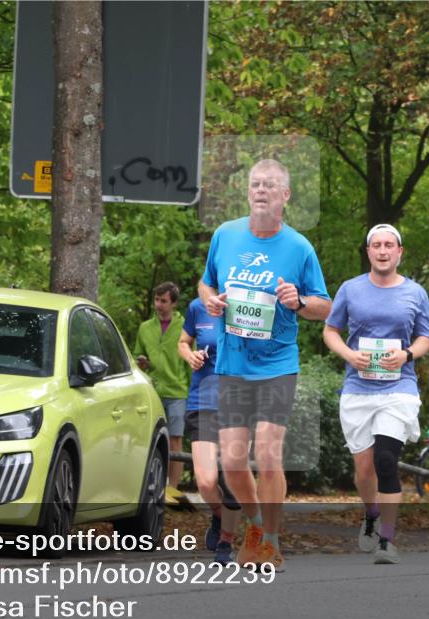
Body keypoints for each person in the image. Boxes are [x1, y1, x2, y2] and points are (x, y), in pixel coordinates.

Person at [198, 158, 331, 570]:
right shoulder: (225, 235)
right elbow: (207, 282)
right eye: (255, 184)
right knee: (234, 461)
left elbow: (325, 306)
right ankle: (255, 527)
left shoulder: (299, 247)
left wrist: (300, 301)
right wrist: (209, 299)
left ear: (285, 195)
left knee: (268, 455)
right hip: (233, 363)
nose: (260, 190)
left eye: (269, 185)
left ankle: (271, 541)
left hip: (276, 363)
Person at [323, 224, 429, 564]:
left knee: (386, 460)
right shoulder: (350, 289)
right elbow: (331, 330)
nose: (383, 251)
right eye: (376, 245)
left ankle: (387, 540)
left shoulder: (415, 293)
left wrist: (407, 355)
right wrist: (348, 355)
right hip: (358, 388)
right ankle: (370, 513)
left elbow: (425, 337)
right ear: (368, 251)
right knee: (364, 469)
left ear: (400, 252)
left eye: (389, 245)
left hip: (398, 387)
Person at [178, 296, 241, 564]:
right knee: (205, 480)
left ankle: (226, 541)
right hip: (202, 401)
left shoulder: (251, 306)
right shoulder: (197, 307)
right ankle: (218, 515)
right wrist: (190, 355)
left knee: (230, 478)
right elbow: (183, 342)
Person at [134, 282, 191, 499]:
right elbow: (137, 355)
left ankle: (172, 490)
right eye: (156, 300)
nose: (158, 304)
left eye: (163, 301)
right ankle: (150, 485)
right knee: (150, 439)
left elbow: (191, 361)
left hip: (177, 392)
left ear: (174, 303)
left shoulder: (185, 328)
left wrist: (193, 393)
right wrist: (141, 361)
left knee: (176, 440)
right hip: (152, 391)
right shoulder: (145, 328)